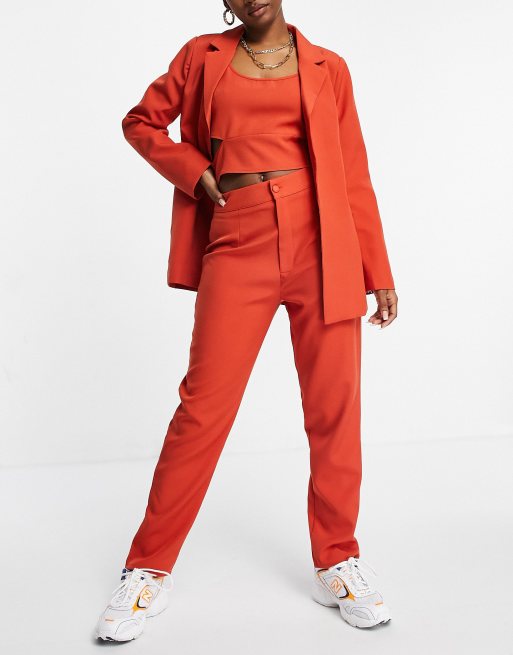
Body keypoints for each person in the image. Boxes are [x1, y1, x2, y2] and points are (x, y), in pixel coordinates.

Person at [95, 0, 398, 641]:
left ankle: (337, 560)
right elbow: (141, 122)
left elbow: (353, 171)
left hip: (324, 241)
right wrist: (194, 172)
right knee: (203, 408)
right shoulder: (200, 56)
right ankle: (147, 568)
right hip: (239, 237)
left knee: (335, 408)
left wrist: (378, 269)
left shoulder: (329, 67)